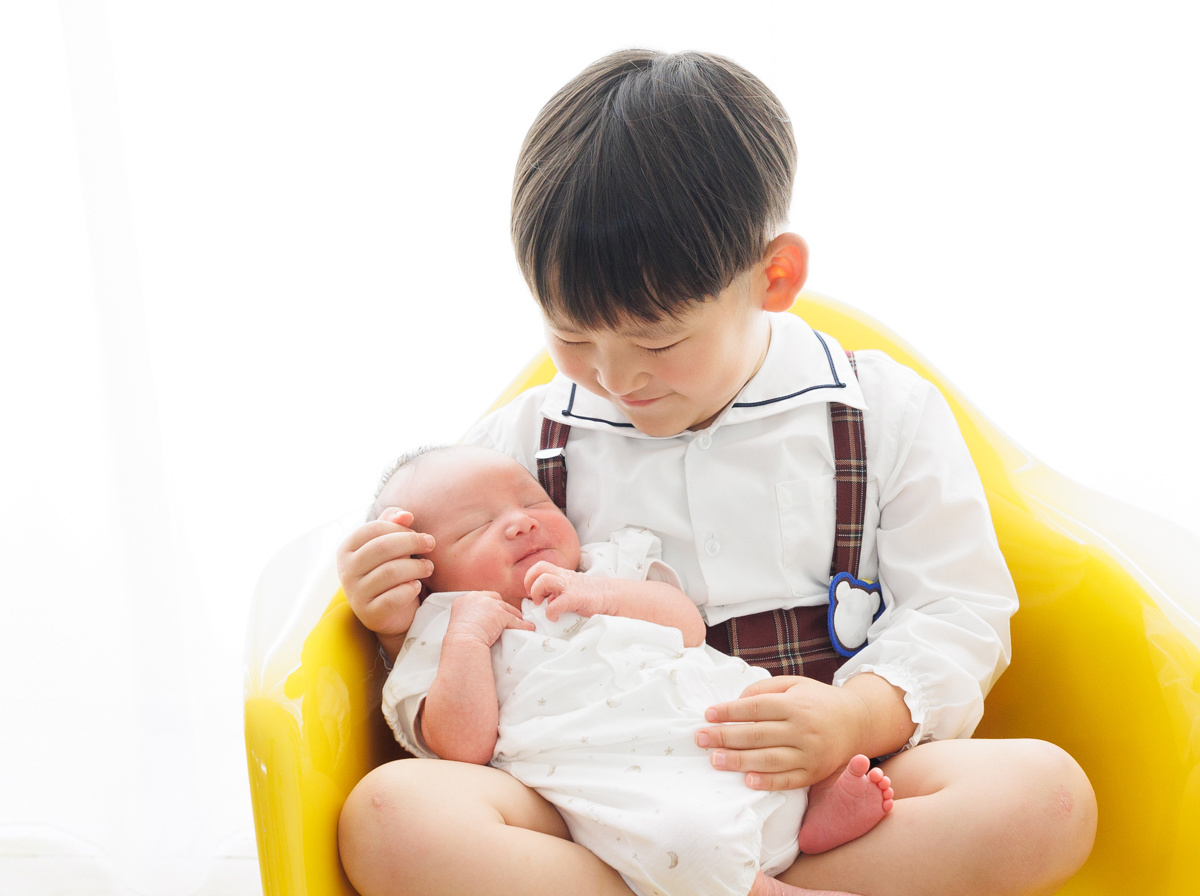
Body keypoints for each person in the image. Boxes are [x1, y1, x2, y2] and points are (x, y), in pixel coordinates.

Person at [336, 49, 1097, 896]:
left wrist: (855, 716)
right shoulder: (514, 449)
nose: (616, 376)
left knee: (1046, 796)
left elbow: (958, 611)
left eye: (658, 341)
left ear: (774, 277)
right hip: (600, 807)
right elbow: (452, 649)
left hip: (815, 794)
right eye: (573, 336)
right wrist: (394, 617)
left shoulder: (880, 412)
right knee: (390, 818)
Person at [372, 443, 895, 896]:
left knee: (785, 707)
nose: (521, 521)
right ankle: (758, 888)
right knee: (681, 842)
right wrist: (466, 639)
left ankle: (817, 810)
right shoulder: (442, 630)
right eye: (476, 527)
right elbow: (463, 748)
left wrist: (601, 593)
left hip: (732, 732)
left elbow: (688, 625)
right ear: (426, 576)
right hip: (640, 791)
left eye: (533, 501)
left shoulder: (604, 567)